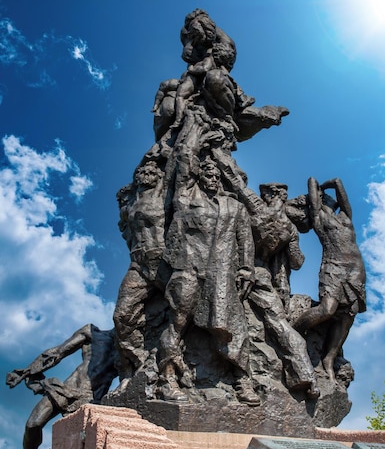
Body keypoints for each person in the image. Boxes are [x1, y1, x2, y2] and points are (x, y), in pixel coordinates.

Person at [158, 126, 259, 405]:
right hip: (188, 269)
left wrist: (246, 269)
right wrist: (196, 130)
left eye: (217, 176)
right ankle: (167, 378)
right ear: (200, 177)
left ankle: (241, 380)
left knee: (233, 326)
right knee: (177, 323)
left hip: (222, 274)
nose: (213, 179)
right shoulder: (186, 200)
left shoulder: (234, 207)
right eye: (208, 175)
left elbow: (245, 240)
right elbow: (183, 165)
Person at [212, 151, 319, 399]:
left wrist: (217, 153)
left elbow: (235, 182)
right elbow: (298, 262)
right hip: (261, 276)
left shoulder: (256, 207)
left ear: (268, 195)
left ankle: (237, 377)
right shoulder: (290, 228)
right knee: (280, 325)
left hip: (237, 268)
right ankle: (304, 376)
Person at [6, 324, 118, 449]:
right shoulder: (93, 333)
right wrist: (25, 372)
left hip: (90, 401)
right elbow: (56, 353)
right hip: (66, 390)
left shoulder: (128, 349)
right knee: (32, 424)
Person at [293, 177, 366, 380]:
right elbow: (311, 182)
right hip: (333, 266)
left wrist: (332, 184)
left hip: (355, 271)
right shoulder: (319, 218)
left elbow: (340, 187)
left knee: (346, 317)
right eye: (327, 199)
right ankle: (293, 332)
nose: (336, 201)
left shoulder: (345, 217)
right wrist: (319, 189)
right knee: (328, 309)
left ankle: (329, 360)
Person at [112, 161, 167, 377]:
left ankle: (175, 367)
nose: (145, 174)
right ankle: (140, 359)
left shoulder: (166, 196)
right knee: (121, 316)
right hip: (138, 264)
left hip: (163, 260)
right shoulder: (129, 206)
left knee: (185, 309)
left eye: (151, 172)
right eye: (141, 171)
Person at [259, 183, 305, 313]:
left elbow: (297, 262)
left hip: (277, 283)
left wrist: (288, 242)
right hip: (258, 276)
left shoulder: (290, 229)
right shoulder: (255, 218)